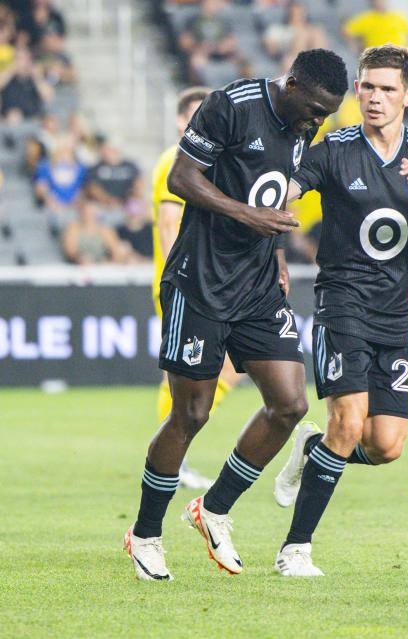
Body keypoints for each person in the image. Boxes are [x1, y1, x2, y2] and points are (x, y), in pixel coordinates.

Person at [123, 49, 348, 582]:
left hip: (257, 287)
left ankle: (213, 507)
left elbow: (270, 193)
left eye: (326, 115)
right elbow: (182, 178)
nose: (318, 121)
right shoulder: (230, 104)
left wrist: (275, 257)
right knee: (192, 415)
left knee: (290, 405)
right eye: (315, 109)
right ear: (291, 84)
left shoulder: (301, 123)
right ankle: (146, 533)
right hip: (198, 282)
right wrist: (246, 215)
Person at [272, 44, 408, 577]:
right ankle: (295, 549)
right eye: (367, 86)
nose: (374, 98)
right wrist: (273, 217)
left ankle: (313, 450)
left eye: (387, 89)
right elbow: (286, 193)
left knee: (385, 445)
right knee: (348, 424)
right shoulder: (335, 147)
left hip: (397, 314)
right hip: (342, 302)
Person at [148, 87, 243, 491]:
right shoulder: (175, 160)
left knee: (220, 369)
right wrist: (183, 282)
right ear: (179, 121)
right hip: (188, 286)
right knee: (189, 373)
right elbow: (170, 226)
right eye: (192, 117)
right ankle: (172, 454)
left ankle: (175, 450)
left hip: (210, 285)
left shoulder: (211, 164)